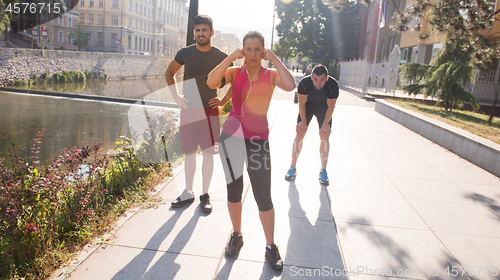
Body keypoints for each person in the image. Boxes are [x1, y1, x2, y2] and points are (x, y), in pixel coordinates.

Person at [206, 31, 295, 270]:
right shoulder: (235, 73)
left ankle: (270, 246)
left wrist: (275, 59)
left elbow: (291, 85)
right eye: (248, 49)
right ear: (242, 51)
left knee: (262, 195)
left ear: (264, 51)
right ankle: (236, 235)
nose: (253, 54)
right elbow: (211, 82)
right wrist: (229, 59)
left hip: (258, 141)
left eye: (258, 49)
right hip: (232, 138)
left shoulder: (272, 75)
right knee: (234, 190)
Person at [165, 15, 229, 213]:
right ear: (194, 32)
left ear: (211, 32)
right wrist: (176, 97)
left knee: (209, 153)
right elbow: (169, 73)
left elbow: (234, 79)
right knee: (189, 152)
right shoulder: (185, 53)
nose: (200, 34)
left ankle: (205, 194)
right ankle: (188, 192)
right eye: (197, 30)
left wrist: (223, 101)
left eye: (204, 30)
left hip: (210, 110)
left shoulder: (221, 57)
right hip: (189, 109)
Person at [284, 64, 339, 184]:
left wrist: (325, 125)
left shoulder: (333, 85)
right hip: (307, 106)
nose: (318, 84)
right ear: (311, 76)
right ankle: (292, 167)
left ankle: (323, 170)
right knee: (300, 132)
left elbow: (330, 107)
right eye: (315, 79)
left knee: (324, 135)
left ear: (327, 78)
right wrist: (303, 122)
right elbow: (302, 104)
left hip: (324, 108)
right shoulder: (305, 83)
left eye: (321, 80)